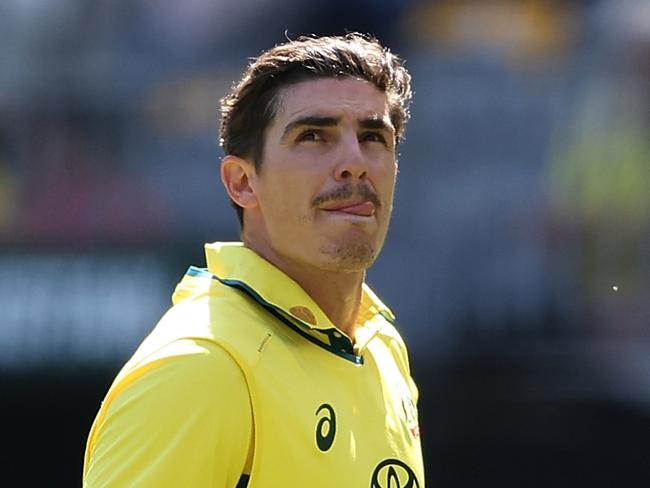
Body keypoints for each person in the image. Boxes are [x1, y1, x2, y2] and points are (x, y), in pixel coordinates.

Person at [83, 32, 424, 487]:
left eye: (373, 137)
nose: (354, 162)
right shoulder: (199, 367)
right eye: (314, 136)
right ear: (242, 183)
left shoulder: (383, 346)